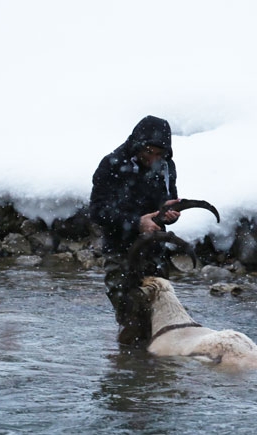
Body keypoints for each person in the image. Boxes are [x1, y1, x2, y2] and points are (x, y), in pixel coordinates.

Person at [89, 115, 181, 347]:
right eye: (149, 152)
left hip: (154, 252)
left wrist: (168, 213)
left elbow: (167, 200)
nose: (154, 159)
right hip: (121, 253)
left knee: (161, 318)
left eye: (159, 154)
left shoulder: (167, 166)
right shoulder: (111, 165)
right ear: (138, 144)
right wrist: (136, 222)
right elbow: (98, 211)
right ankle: (128, 370)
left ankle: (157, 375)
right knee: (130, 319)